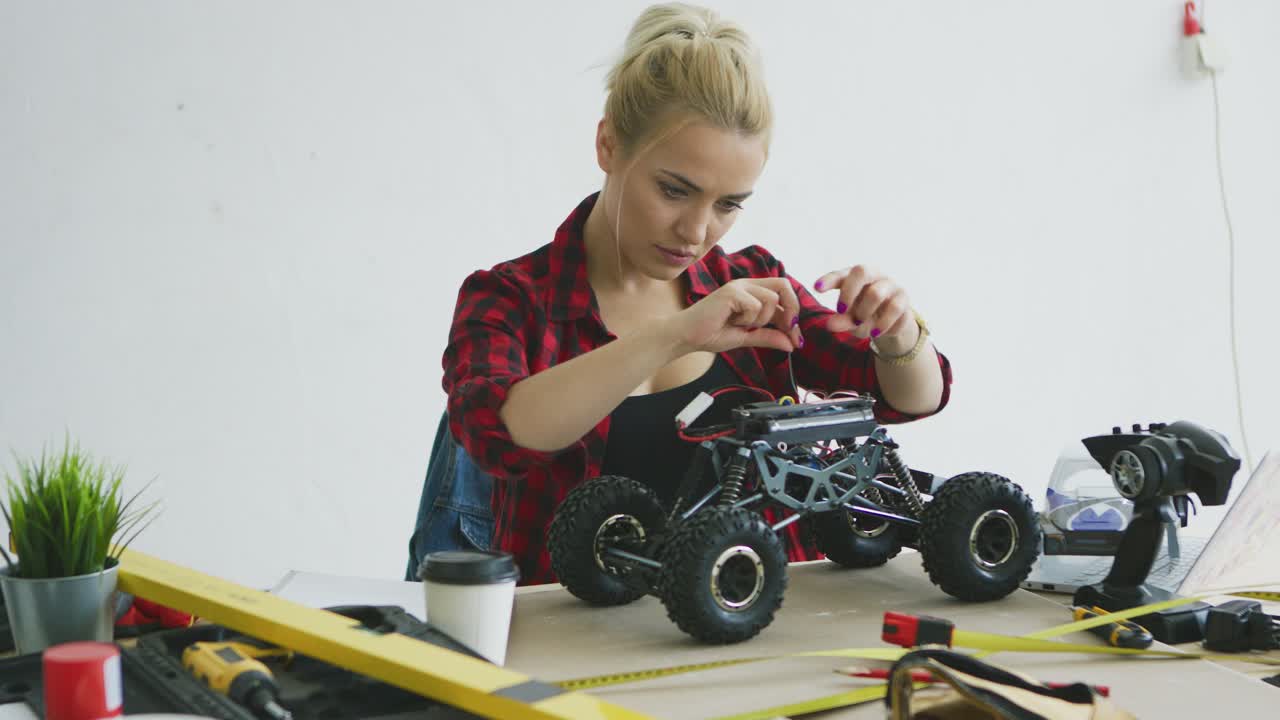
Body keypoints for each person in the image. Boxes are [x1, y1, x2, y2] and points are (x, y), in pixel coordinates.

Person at [442, 2, 953, 586]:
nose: (696, 231)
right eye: (674, 190)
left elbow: (911, 399)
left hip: (758, 618)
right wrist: (675, 334)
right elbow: (498, 435)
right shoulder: (511, 299)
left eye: (728, 204)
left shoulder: (754, 282)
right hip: (576, 632)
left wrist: (898, 332)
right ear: (608, 144)